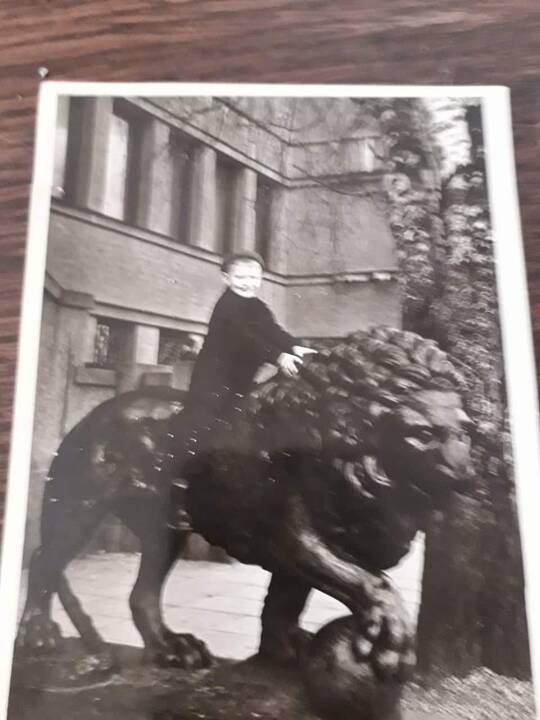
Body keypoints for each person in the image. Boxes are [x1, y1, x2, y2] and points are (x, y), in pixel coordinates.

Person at [167, 250, 316, 478]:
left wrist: (294, 346)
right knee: (203, 422)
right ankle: (174, 472)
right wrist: (278, 356)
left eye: (254, 278)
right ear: (226, 279)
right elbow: (244, 338)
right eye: (241, 278)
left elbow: (272, 330)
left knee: (246, 420)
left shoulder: (258, 307)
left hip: (241, 378)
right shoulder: (227, 306)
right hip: (215, 379)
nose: (249, 284)